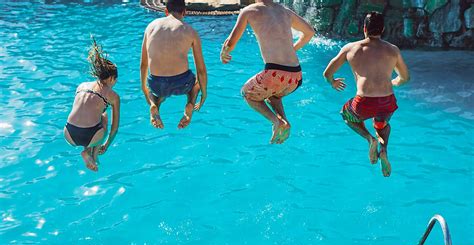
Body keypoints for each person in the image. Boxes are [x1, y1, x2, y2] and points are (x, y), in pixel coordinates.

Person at [323, 11, 409, 177]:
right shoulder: (392, 50)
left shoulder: (351, 48)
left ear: (364, 28)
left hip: (363, 102)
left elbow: (327, 73)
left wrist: (332, 82)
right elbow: (405, 77)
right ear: (382, 29)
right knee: (382, 124)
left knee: (346, 115)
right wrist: (393, 83)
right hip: (387, 101)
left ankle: (370, 140)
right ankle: (383, 150)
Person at [220, 0, 315, 144]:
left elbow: (231, 42)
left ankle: (275, 121)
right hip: (296, 76)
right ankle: (284, 121)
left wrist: (224, 52)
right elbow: (310, 32)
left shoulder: (249, 11)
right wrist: (292, 49)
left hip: (275, 73)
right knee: (273, 95)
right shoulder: (285, 11)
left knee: (247, 94)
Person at [140, 0, 207, 130]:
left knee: (155, 92)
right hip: (183, 83)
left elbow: (144, 64)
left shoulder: (151, 27)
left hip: (157, 84)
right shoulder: (190, 31)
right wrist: (204, 93)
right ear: (184, 12)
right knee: (197, 84)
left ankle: (154, 105)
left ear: (166, 11)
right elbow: (201, 70)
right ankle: (189, 105)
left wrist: (144, 88)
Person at [64, 37, 120, 172]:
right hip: (91, 136)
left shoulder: (81, 85)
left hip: (68, 134)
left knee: (96, 115)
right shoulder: (113, 96)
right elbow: (115, 128)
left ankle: (86, 151)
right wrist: (106, 145)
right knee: (104, 117)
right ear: (112, 78)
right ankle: (92, 154)